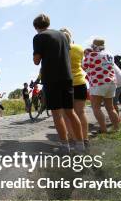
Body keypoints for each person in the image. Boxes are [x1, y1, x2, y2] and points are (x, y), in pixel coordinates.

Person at [32, 14, 84, 153]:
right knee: (70, 112)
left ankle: (64, 145)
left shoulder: (39, 37)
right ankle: (80, 145)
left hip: (52, 78)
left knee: (57, 114)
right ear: (48, 23)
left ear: (36, 27)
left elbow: (36, 61)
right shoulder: (62, 35)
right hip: (67, 77)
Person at [83, 39, 120, 133]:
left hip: (98, 83)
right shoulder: (109, 54)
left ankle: (103, 129)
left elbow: (83, 66)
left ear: (93, 46)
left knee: (96, 107)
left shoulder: (91, 55)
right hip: (111, 83)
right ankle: (117, 128)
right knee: (110, 108)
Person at [59, 28, 89, 147]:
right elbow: (82, 64)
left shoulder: (59, 50)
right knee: (81, 112)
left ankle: (73, 138)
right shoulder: (79, 48)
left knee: (67, 114)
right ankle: (85, 138)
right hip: (80, 82)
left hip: (66, 84)